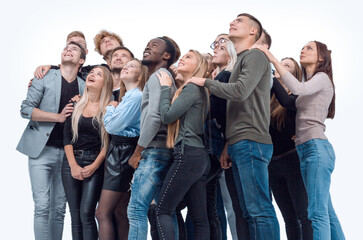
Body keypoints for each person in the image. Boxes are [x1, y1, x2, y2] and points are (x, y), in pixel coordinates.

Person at [188, 13, 280, 240]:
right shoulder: (243, 60)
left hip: (251, 141)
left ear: (253, 32)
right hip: (239, 142)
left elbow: (239, 91)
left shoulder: (255, 56)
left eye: (239, 21)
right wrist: (229, 145)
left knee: (259, 210)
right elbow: (237, 108)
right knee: (248, 212)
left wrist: (204, 82)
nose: (232, 23)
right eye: (232, 21)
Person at [253, 41, 345, 239]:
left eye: (309, 48)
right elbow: (288, 102)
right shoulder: (309, 85)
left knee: (316, 213)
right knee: (326, 212)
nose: (303, 50)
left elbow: (297, 91)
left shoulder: (321, 78)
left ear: (321, 58)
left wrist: (271, 59)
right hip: (305, 149)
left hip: (316, 148)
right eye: (303, 47)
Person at [17, 41, 86, 240]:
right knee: (42, 205)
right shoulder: (44, 77)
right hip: (41, 151)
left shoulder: (84, 85)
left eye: (74, 50)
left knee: (58, 208)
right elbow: (26, 109)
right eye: (66, 48)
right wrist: (58, 117)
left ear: (81, 60)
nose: (68, 50)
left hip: (68, 155)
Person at [126, 37, 178, 240]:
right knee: (164, 210)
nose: (148, 47)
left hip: (154, 151)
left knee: (136, 210)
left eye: (154, 45)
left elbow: (155, 116)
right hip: (165, 151)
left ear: (166, 56)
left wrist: (138, 151)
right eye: (147, 44)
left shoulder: (159, 76)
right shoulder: (163, 77)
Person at [155, 49, 210, 240]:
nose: (182, 59)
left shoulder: (192, 89)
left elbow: (167, 116)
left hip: (187, 154)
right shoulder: (199, 90)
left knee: (162, 210)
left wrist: (164, 87)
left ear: (199, 67)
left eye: (189, 57)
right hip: (199, 156)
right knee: (199, 216)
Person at [95, 59, 148, 240]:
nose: (126, 67)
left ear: (140, 76)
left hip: (123, 152)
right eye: (126, 65)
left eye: (132, 66)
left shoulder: (136, 96)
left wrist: (110, 108)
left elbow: (112, 127)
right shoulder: (128, 96)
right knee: (119, 211)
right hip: (119, 151)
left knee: (102, 213)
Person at [62, 66, 113, 240]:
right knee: (75, 216)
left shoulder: (109, 108)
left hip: (94, 163)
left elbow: (108, 143)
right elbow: (66, 138)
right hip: (71, 163)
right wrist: (73, 165)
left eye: (99, 74)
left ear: (105, 83)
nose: (92, 75)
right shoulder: (75, 103)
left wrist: (94, 166)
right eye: (92, 72)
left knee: (87, 213)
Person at [268, 57, 313, 240]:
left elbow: (287, 103)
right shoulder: (268, 99)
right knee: (289, 218)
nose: (280, 66)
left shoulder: (297, 97)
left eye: (286, 65)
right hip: (273, 165)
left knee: (303, 215)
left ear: (293, 75)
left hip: (292, 161)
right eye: (280, 62)